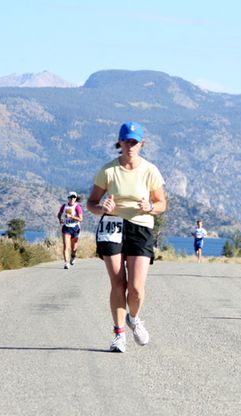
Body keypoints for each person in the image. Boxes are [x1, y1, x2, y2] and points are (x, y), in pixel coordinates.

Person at [86, 121, 166, 353]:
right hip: (112, 225)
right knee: (118, 283)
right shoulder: (108, 170)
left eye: (134, 142)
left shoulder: (150, 170)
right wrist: (102, 208)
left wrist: (150, 207)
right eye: (125, 141)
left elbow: (162, 203)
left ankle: (134, 318)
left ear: (142, 143)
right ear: (119, 143)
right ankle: (119, 334)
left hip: (140, 226)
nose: (129, 146)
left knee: (137, 288)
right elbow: (91, 203)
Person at [57, 191, 83, 269]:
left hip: (75, 228)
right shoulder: (64, 206)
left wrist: (71, 216)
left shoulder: (77, 207)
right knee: (66, 246)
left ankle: (73, 256)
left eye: (74, 197)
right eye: (71, 197)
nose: (72, 199)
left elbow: (81, 219)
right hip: (66, 227)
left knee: (74, 248)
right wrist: (60, 219)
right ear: (68, 198)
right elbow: (59, 214)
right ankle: (66, 263)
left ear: (75, 199)